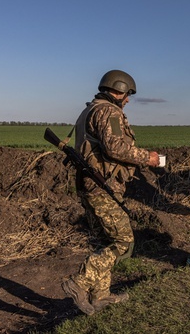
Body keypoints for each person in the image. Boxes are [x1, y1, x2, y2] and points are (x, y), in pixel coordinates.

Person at [62, 70, 160, 315]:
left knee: (103, 241)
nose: (127, 100)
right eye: (127, 95)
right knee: (123, 242)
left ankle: (101, 296)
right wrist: (147, 157)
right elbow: (115, 147)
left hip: (91, 184)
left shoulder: (90, 110)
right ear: (118, 90)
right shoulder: (109, 111)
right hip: (103, 186)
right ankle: (79, 283)